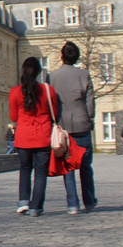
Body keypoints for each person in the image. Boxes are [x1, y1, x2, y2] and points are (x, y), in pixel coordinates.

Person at [49, 40, 98, 214]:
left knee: (68, 166)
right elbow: (90, 102)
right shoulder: (84, 75)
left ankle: (72, 204)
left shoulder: (52, 76)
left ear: (62, 56)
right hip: (81, 121)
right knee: (85, 165)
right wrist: (90, 117)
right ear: (77, 57)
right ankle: (89, 201)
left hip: (63, 125)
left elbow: (51, 102)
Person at [8, 56, 59, 217]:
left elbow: (14, 117)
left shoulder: (15, 92)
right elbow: (54, 113)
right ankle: (36, 206)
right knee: (40, 173)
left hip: (23, 138)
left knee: (24, 170)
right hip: (43, 136)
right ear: (38, 72)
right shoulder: (48, 90)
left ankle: (23, 201)